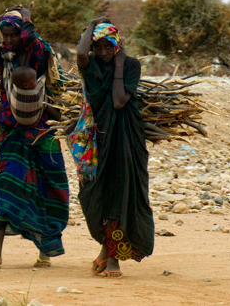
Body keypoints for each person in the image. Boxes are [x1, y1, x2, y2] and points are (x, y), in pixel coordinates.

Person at [0, 6, 69, 269]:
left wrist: (24, 17)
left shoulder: (39, 52)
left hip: (41, 130)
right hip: (11, 129)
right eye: (6, 36)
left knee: (46, 187)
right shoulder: (4, 57)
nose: (10, 40)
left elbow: (30, 37)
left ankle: (46, 251)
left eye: (13, 34)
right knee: (6, 183)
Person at [74, 17, 154, 278]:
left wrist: (119, 64)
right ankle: (105, 251)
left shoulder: (130, 65)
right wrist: (91, 25)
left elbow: (119, 101)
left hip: (125, 142)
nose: (103, 52)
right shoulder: (91, 66)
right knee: (93, 195)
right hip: (98, 142)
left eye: (109, 47)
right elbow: (79, 53)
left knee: (118, 198)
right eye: (98, 47)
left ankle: (113, 261)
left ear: (118, 46)